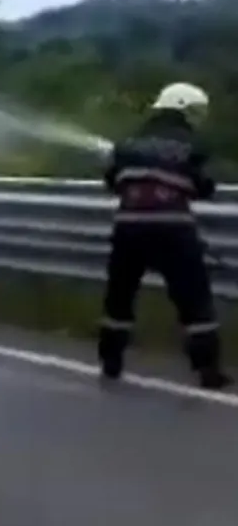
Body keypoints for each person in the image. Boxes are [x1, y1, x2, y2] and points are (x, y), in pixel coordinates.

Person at [99, 82, 232, 389]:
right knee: (194, 297)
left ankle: (111, 360)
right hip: (173, 228)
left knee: (120, 295)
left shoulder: (128, 144)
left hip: (129, 227)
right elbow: (201, 186)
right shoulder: (192, 145)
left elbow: (112, 182)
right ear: (184, 108)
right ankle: (207, 369)